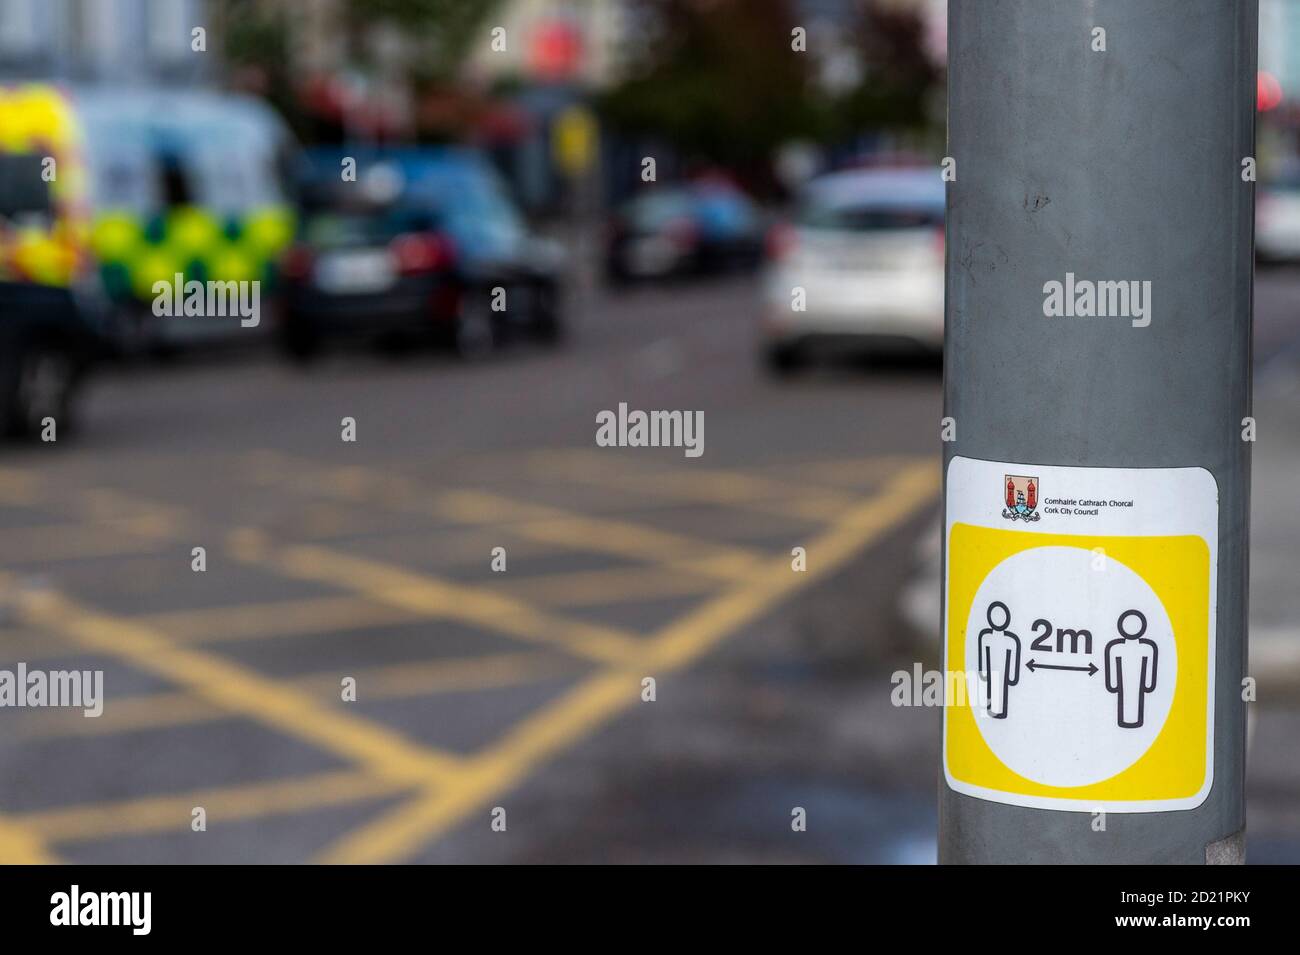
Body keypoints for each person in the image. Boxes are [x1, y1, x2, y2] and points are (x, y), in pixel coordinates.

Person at [1104, 609, 1159, 728]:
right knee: (1127, 702)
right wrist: (1148, 686)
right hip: (1125, 687)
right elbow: (1112, 680)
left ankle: (1133, 721)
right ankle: (1128, 720)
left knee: (1134, 702)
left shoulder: (1146, 648)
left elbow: (1112, 683)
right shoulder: (1116, 648)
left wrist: (1113, 686)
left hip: (1136, 686)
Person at [977, 601, 1020, 719]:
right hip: (991, 673)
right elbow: (982, 656)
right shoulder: (986, 637)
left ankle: (1000, 712)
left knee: (1002, 694)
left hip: (1003, 674)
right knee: (992, 692)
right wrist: (983, 674)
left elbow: (1014, 661)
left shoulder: (1010, 640)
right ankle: (992, 710)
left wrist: (1012, 678)